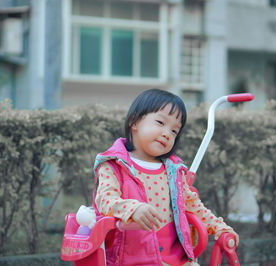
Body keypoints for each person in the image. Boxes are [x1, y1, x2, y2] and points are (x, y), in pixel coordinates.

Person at [93, 88, 238, 266]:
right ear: (134, 121)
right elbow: (105, 200)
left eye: (174, 131)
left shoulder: (173, 171)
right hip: (131, 258)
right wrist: (133, 209)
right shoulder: (114, 165)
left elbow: (193, 206)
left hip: (175, 258)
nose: (167, 133)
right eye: (160, 122)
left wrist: (219, 227)